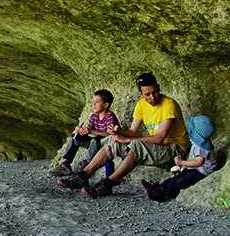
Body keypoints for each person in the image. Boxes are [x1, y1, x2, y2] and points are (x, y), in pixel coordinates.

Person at [57, 72, 190, 199]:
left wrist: (127, 139)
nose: (152, 97)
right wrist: (118, 132)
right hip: (155, 148)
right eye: (147, 94)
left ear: (159, 88)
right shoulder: (141, 105)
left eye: (155, 92)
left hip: (174, 150)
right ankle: (83, 175)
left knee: (136, 144)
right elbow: (132, 131)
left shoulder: (169, 105)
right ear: (140, 94)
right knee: (113, 140)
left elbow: (159, 138)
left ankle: (108, 184)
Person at [141, 115, 216, 202]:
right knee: (176, 177)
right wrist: (184, 167)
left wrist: (182, 163)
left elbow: (198, 162)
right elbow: (193, 159)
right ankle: (160, 187)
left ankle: (164, 192)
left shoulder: (201, 148)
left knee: (183, 180)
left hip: (201, 171)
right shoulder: (198, 144)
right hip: (197, 169)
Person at [49, 90, 119, 177]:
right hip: (95, 145)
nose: (94, 104)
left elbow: (111, 135)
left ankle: (86, 163)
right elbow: (88, 129)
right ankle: (66, 164)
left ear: (106, 105)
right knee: (76, 137)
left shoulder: (109, 116)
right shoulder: (94, 116)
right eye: (93, 102)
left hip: (106, 145)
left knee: (96, 139)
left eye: (97, 102)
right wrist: (80, 130)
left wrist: (92, 131)